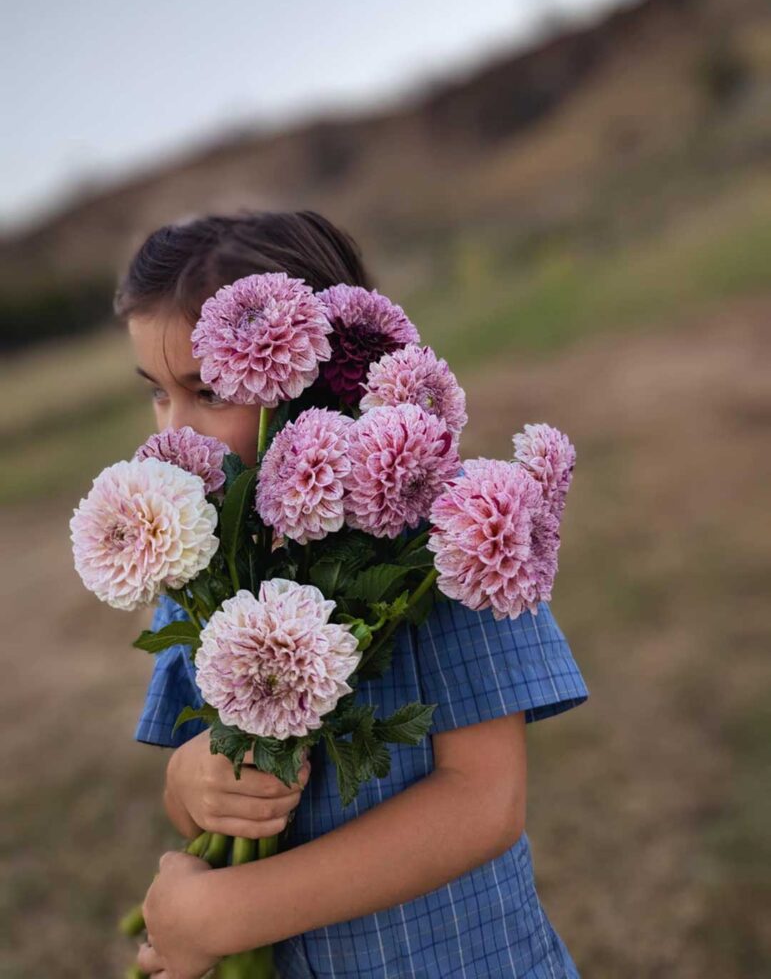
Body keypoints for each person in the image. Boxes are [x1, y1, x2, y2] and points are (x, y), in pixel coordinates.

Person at [115, 210, 590, 979]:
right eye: (157, 394)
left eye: (205, 392)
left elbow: (483, 804)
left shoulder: (449, 534)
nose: (174, 430)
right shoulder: (194, 552)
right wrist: (188, 782)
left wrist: (224, 914)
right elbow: (194, 779)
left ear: (318, 368)